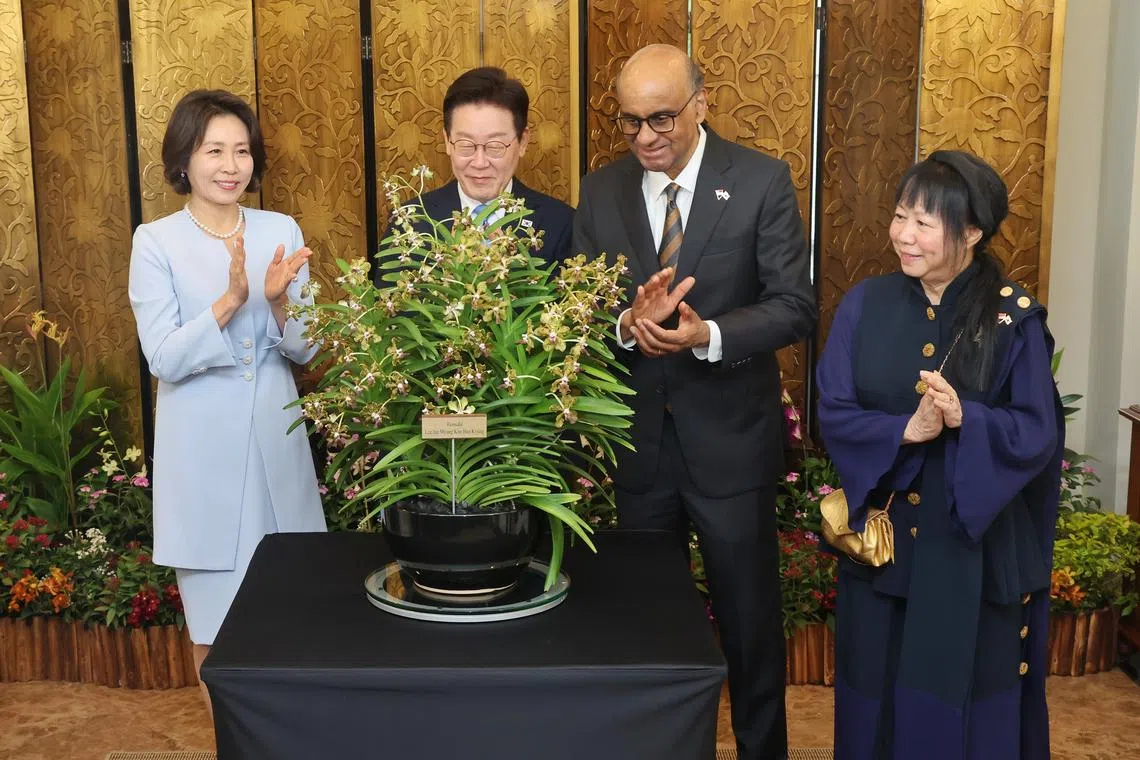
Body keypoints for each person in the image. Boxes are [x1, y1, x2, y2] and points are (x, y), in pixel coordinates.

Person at [572, 44, 816, 760]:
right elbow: (581, 304)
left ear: (701, 105)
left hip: (730, 445)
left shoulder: (761, 181)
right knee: (648, 630)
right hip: (639, 450)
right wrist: (626, 323)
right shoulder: (603, 190)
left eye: (661, 119)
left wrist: (706, 332)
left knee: (749, 628)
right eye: (629, 123)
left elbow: (794, 305)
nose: (645, 137)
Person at [815, 150, 1064, 760]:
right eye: (901, 216)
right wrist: (908, 429)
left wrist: (966, 418)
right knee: (874, 697)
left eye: (925, 223)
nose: (903, 235)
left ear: (972, 233)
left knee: (969, 707)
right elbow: (834, 410)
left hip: (970, 557)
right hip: (885, 553)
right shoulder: (864, 305)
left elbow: (1038, 432)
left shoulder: (1012, 318)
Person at [128, 89, 327, 706]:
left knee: (293, 612)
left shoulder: (280, 228)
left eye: (241, 150)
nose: (230, 165)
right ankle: (229, 739)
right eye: (214, 150)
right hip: (203, 457)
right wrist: (230, 300)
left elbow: (308, 349)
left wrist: (275, 302)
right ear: (184, 160)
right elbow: (163, 357)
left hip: (277, 444)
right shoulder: (155, 241)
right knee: (214, 625)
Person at [373, 66, 573, 286]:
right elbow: (391, 311)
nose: (479, 163)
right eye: (466, 145)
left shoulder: (560, 224)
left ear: (523, 142)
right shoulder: (410, 221)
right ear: (447, 141)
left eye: (495, 146)